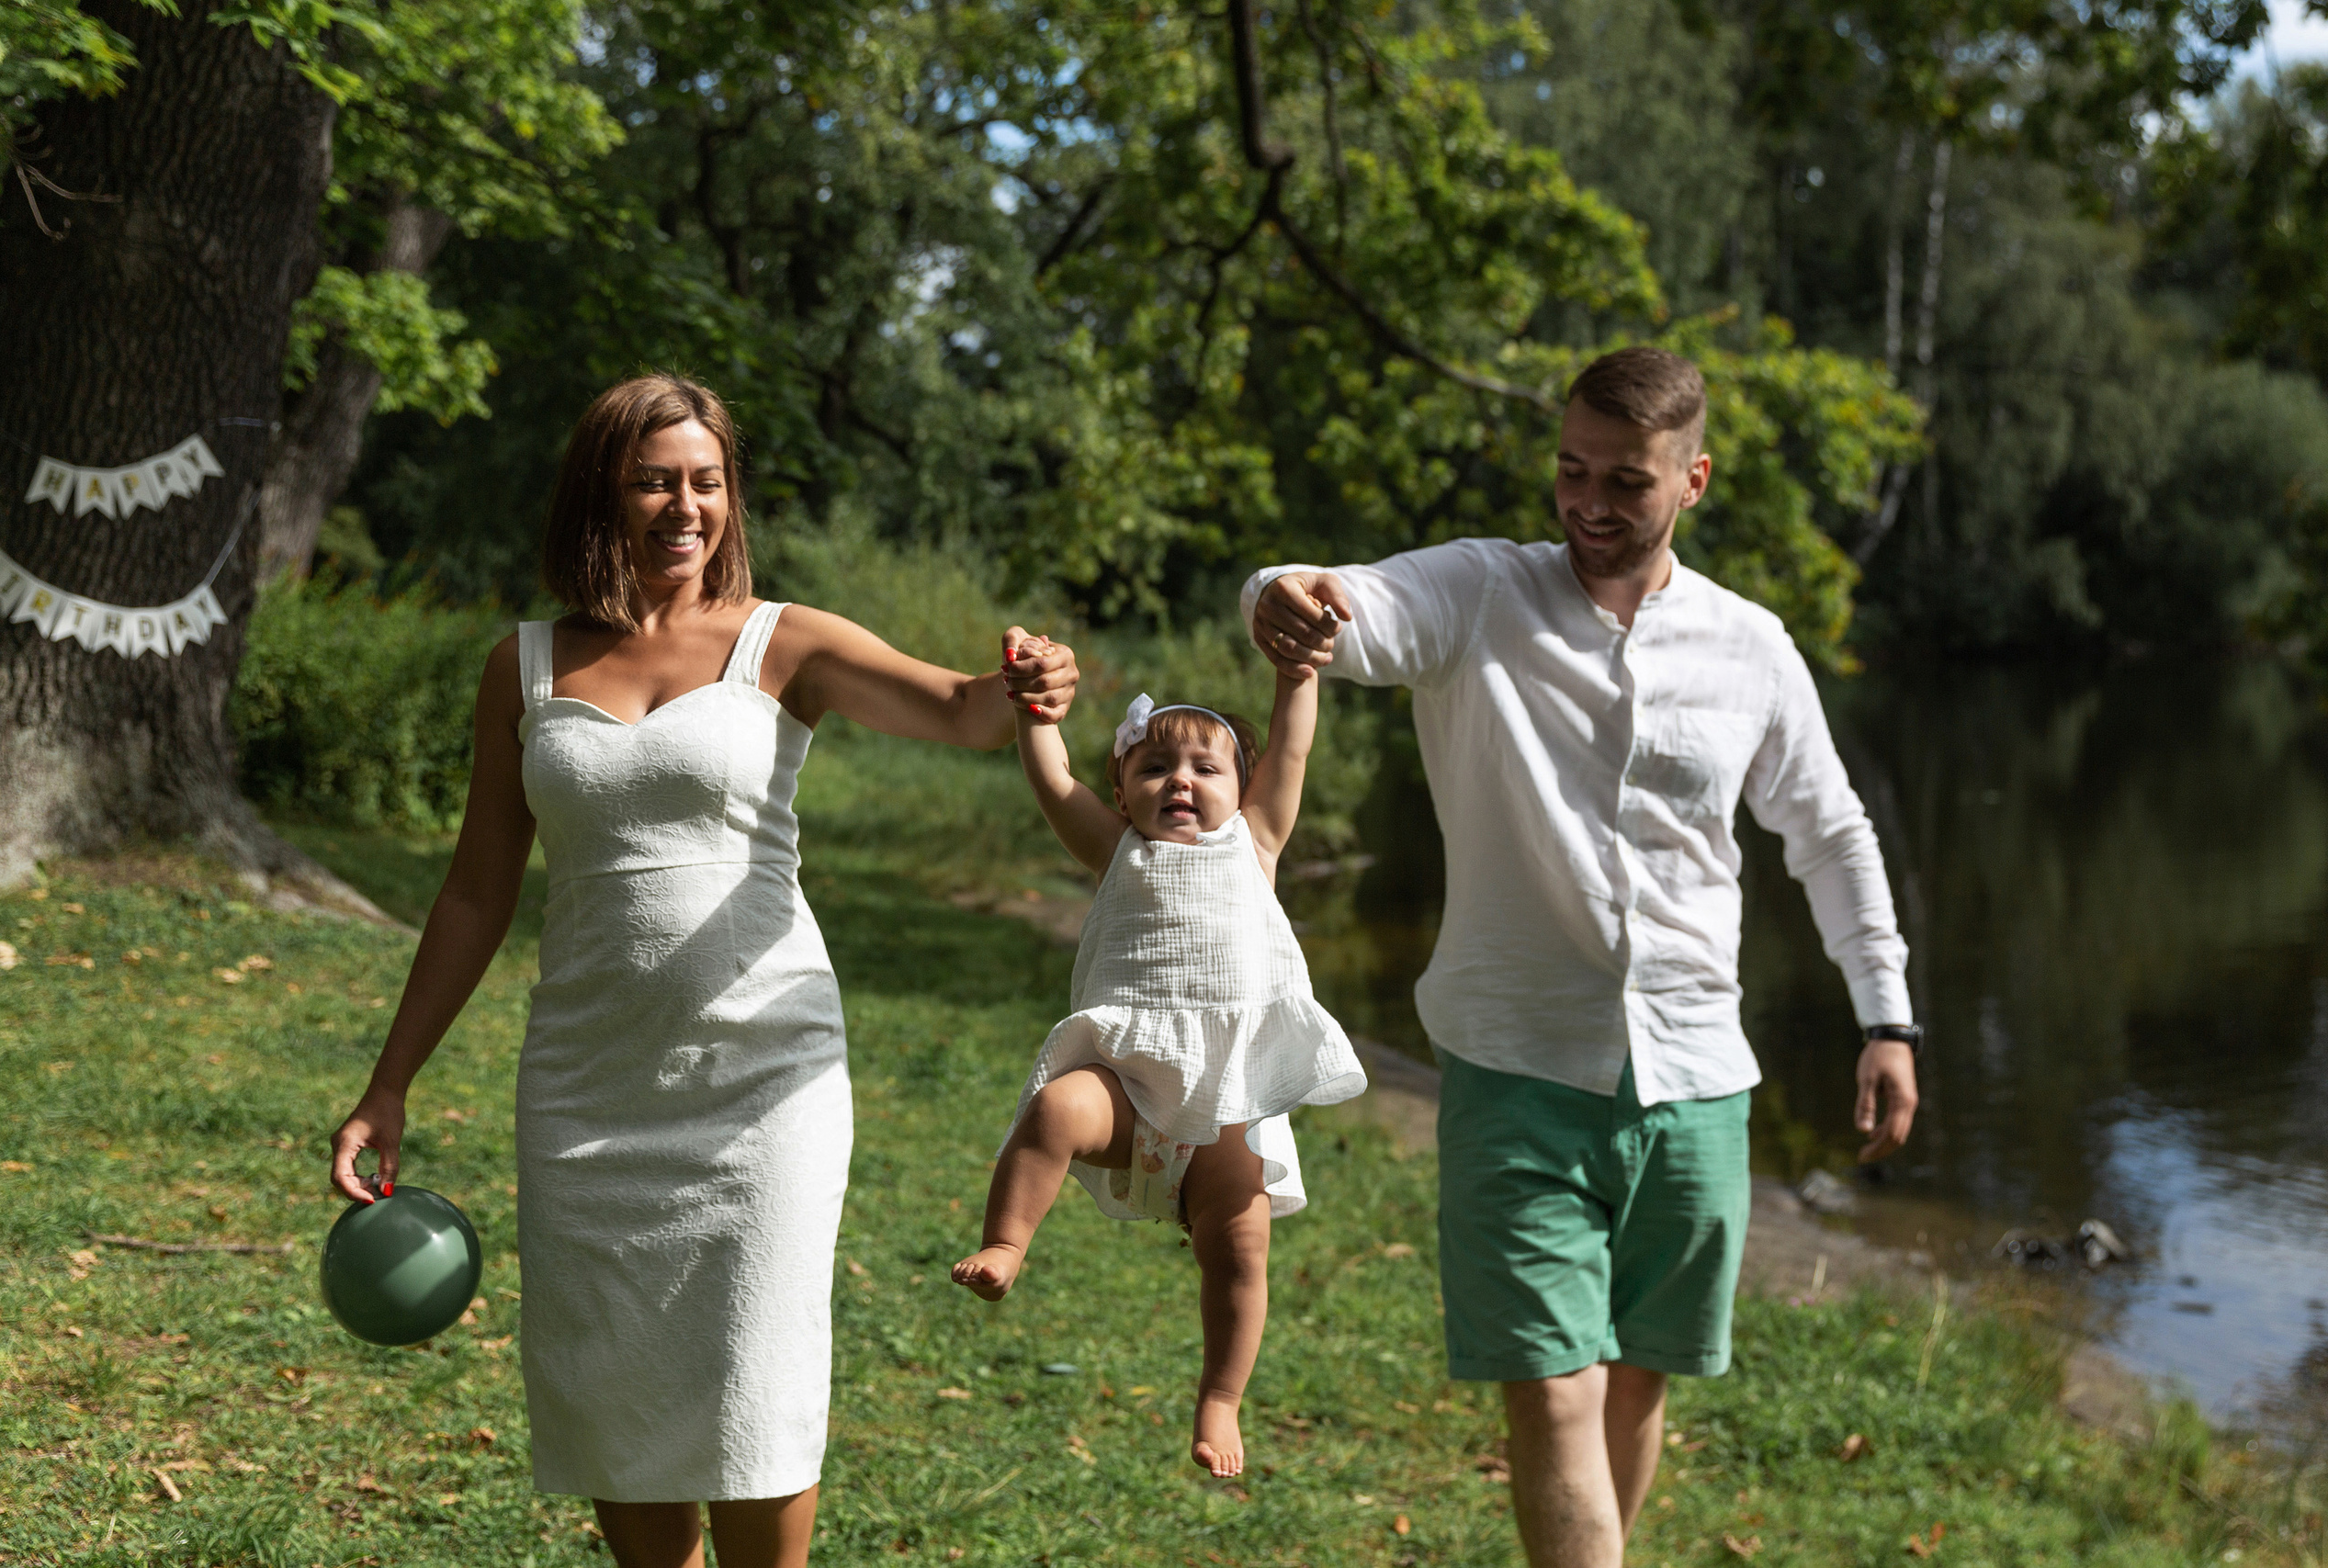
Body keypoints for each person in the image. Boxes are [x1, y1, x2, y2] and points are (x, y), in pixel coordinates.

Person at [325, 373, 1077, 1568]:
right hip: (585, 1087)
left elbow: (959, 708)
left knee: (754, 1395)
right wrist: (389, 1082)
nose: (686, 505)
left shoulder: (785, 641)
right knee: (615, 1407)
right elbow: (476, 888)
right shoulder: (519, 666)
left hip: (760, 1083)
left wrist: (1026, 682)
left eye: (707, 481)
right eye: (655, 479)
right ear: (602, 491)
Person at [1240, 345, 1920, 1567]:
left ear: (1694, 479)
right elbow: (1341, 602)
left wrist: (1888, 1014)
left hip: (1700, 1074)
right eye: (1571, 471)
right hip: (1518, 1066)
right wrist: (1278, 594)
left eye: (1627, 482)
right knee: (1551, 1387)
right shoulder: (1481, 593)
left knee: (1635, 1384)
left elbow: (1828, 830)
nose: (1590, 505)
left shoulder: (1749, 645)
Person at [949, 652, 1367, 1477]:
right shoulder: (1116, 850)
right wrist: (1038, 712)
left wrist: (1298, 678)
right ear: (1121, 791)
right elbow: (1053, 778)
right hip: (1130, 1085)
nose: (1180, 781)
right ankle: (1005, 1243)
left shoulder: (1255, 842)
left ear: (1240, 790)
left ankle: (1220, 1396)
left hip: (1232, 1104)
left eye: (1205, 768)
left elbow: (1291, 751)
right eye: (1153, 766)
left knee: (1242, 1246)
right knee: (1056, 1109)